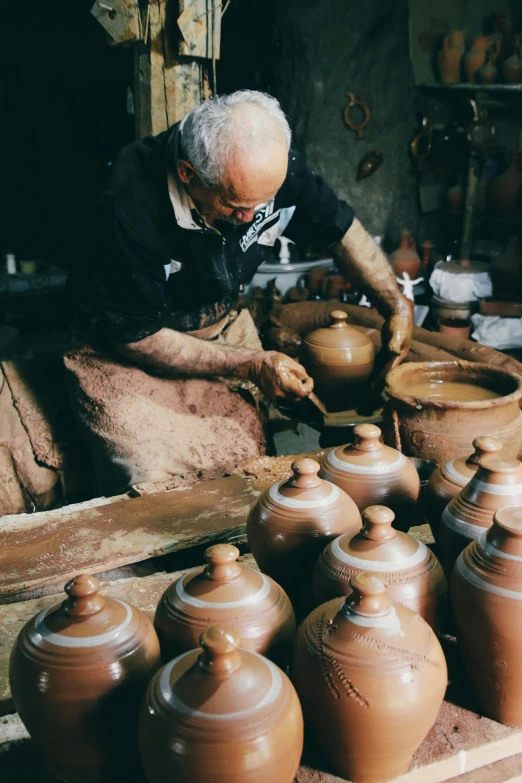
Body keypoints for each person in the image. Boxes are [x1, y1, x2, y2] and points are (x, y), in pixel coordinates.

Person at [65, 90, 412, 495]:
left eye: (261, 204)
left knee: (246, 472)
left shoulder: (269, 168)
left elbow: (337, 228)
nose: (249, 217)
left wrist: (394, 303)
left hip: (217, 327)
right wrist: (250, 364)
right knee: (153, 484)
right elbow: (135, 336)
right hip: (121, 349)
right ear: (187, 173)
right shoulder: (127, 205)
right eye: (234, 206)